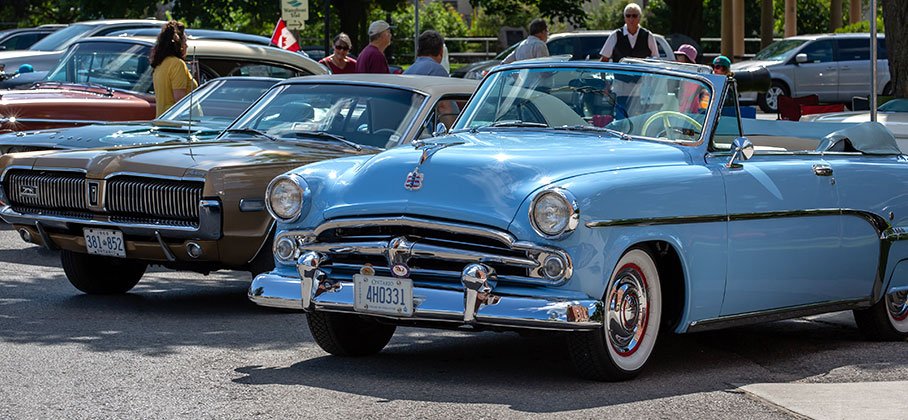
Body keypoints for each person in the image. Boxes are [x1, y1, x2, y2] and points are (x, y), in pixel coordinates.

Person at [150, 20, 198, 117]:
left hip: (163, 120)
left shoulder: (160, 63)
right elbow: (180, 102)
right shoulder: (177, 64)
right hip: (178, 125)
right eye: (185, 41)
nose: (186, 45)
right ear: (178, 43)